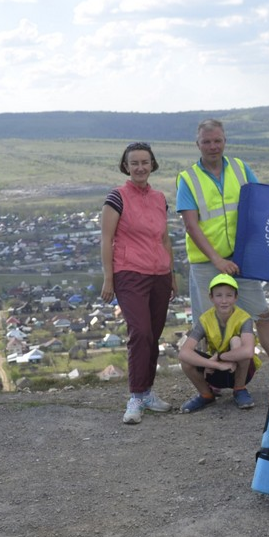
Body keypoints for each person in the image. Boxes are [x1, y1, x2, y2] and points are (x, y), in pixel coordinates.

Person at [176, 118, 269, 369]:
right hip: (206, 264)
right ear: (197, 144)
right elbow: (191, 225)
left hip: (241, 259)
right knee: (207, 324)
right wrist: (217, 260)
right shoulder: (188, 179)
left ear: (225, 141)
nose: (213, 146)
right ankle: (213, 379)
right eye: (207, 142)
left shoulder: (240, 168)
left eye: (218, 141)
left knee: (262, 315)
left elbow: (260, 202)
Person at [100, 142, 176, 424]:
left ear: (152, 164)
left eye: (145, 162)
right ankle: (135, 397)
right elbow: (106, 239)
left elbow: (164, 239)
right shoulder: (117, 197)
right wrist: (109, 278)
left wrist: (172, 275)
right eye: (135, 163)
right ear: (126, 166)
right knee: (140, 332)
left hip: (160, 274)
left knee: (153, 335)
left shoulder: (159, 198)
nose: (140, 167)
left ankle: (147, 392)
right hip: (129, 273)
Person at [177, 274, 259, 412]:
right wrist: (215, 364)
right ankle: (206, 395)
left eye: (229, 295)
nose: (224, 301)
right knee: (186, 359)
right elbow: (184, 352)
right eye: (219, 295)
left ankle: (239, 389)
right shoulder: (205, 320)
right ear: (211, 297)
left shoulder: (244, 318)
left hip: (241, 370)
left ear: (236, 297)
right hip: (215, 371)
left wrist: (219, 357)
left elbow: (248, 351)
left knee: (237, 341)